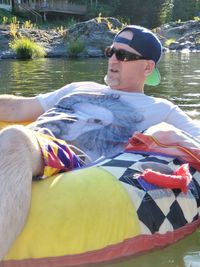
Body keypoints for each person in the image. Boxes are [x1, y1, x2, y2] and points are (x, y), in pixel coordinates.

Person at [0, 25, 199, 260]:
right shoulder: (78, 87)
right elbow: (18, 108)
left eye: (124, 56)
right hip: (32, 143)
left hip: (66, 156)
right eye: (111, 52)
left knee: (14, 139)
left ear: (147, 67)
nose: (113, 59)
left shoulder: (161, 109)